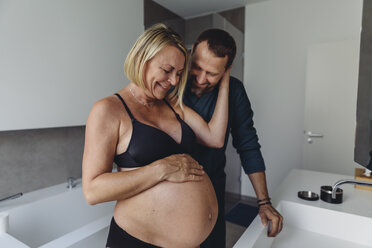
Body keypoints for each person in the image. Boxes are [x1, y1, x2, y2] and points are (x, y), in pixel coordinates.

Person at [82, 24, 231, 248]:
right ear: (142, 58)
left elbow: (216, 138)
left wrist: (225, 82)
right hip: (137, 241)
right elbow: (92, 190)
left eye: (179, 74)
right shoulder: (109, 109)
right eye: (167, 69)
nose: (173, 81)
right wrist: (160, 170)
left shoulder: (173, 106)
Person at [183, 28, 283, 248]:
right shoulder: (173, 83)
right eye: (197, 66)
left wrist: (264, 202)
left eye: (211, 74)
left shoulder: (235, 91)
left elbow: (248, 144)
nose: (200, 78)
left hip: (212, 188)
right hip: (173, 190)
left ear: (226, 70)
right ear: (190, 53)